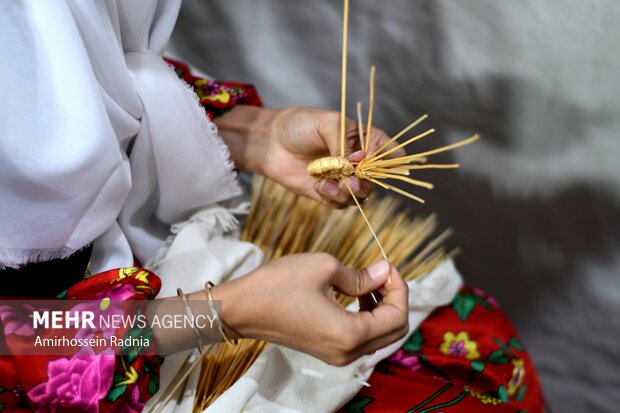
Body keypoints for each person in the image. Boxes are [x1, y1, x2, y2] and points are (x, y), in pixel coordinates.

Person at [0, 1, 545, 412]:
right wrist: (223, 314)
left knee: (480, 341)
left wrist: (256, 135)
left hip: (150, 263)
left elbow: (79, 68)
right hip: (70, 345)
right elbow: (16, 340)